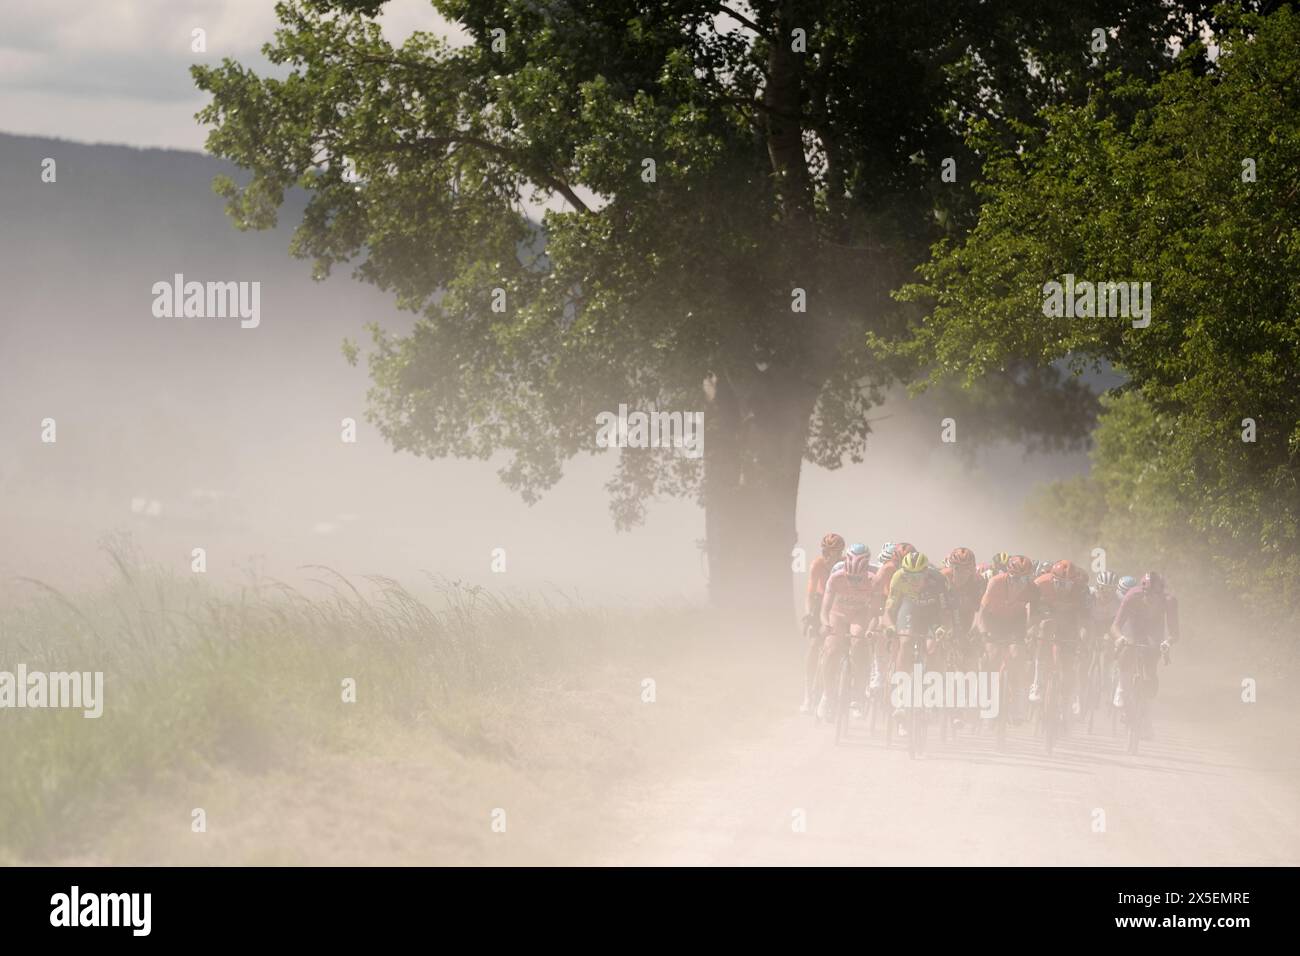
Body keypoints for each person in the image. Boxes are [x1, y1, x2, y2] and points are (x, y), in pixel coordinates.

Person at [1110, 572, 1179, 729]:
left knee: (1150, 674)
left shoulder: (1169, 601)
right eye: (1146, 594)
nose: (1150, 598)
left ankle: (1145, 712)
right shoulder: (1132, 596)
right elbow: (1115, 626)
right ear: (1142, 590)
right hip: (1134, 628)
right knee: (1128, 648)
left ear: (1161, 593)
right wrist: (1120, 638)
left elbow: (1175, 633)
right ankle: (1122, 688)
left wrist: (1168, 642)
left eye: (1154, 595)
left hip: (1154, 631)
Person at [817, 549, 876, 719]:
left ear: (865, 571)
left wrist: (871, 629)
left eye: (858, 578)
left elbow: (876, 612)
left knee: (859, 640)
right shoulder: (836, 577)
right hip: (838, 614)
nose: (853, 582)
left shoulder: (874, 579)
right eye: (850, 577)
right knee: (831, 649)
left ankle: (857, 697)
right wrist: (825, 624)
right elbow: (825, 609)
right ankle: (827, 696)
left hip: (860, 614)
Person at [801, 533, 844, 713]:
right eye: (825, 552)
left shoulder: (844, 565)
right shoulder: (817, 564)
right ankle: (808, 694)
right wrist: (809, 613)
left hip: (839, 601)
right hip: (820, 600)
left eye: (833, 553)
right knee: (814, 645)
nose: (828, 556)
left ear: (840, 553)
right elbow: (810, 593)